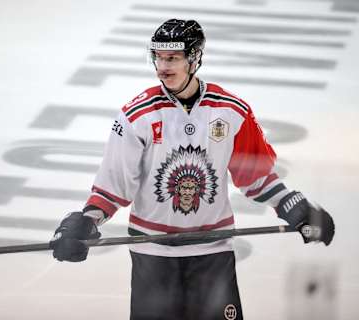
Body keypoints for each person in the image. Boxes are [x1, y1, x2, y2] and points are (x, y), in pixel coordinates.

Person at [50, 19, 335, 320]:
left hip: (212, 253)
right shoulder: (137, 117)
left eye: (172, 58)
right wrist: (86, 221)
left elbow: (256, 176)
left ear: (195, 57)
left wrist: (292, 206)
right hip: (153, 253)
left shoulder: (231, 111)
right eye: (157, 57)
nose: (162, 66)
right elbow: (114, 186)